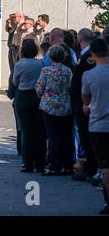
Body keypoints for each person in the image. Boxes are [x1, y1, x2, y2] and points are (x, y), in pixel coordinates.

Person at [36, 44, 74, 176]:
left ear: (50, 56)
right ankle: (67, 165)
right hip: (65, 106)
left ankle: (54, 165)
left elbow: (39, 89)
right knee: (65, 136)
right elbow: (70, 86)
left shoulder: (46, 71)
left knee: (53, 136)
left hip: (49, 106)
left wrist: (43, 95)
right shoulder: (68, 71)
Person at [82, 38, 109, 215]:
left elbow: (86, 100)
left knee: (106, 166)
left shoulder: (89, 75)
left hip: (99, 124)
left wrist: (88, 108)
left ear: (92, 54)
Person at [13, 39, 46, 172]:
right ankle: (40, 163)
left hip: (23, 96)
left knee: (26, 131)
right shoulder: (40, 63)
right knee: (39, 131)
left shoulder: (19, 64)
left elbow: (15, 82)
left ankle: (27, 163)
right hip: (37, 96)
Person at [70, 28, 96, 181]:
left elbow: (82, 81)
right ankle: (90, 168)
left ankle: (91, 169)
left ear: (80, 40)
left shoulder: (88, 56)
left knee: (86, 137)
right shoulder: (86, 55)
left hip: (84, 103)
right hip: (82, 101)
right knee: (85, 137)